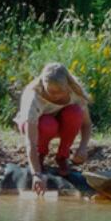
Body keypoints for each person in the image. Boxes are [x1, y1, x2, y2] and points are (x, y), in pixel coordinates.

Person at [16, 62, 93, 195]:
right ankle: (41, 154)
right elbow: (30, 143)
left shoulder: (75, 91)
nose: (55, 95)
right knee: (47, 123)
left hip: (60, 123)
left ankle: (62, 156)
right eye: (50, 91)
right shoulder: (33, 96)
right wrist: (36, 175)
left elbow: (86, 123)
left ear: (67, 86)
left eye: (60, 92)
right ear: (43, 84)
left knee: (74, 113)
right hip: (37, 126)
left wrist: (83, 147)